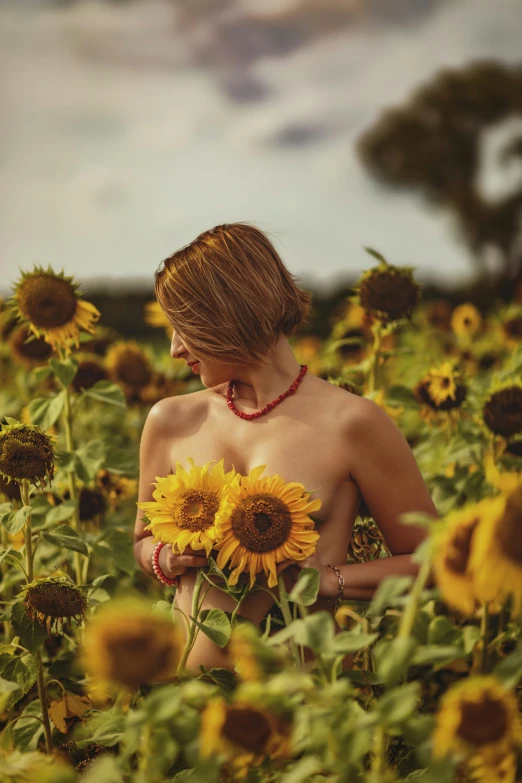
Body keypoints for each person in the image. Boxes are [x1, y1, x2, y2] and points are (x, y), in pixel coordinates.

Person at [133, 222, 438, 672]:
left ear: (229, 314)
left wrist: (329, 581)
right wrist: (167, 557)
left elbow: (436, 559)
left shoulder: (353, 423)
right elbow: (142, 541)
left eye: (184, 327)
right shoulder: (170, 421)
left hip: (305, 709)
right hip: (182, 704)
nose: (176, 349)